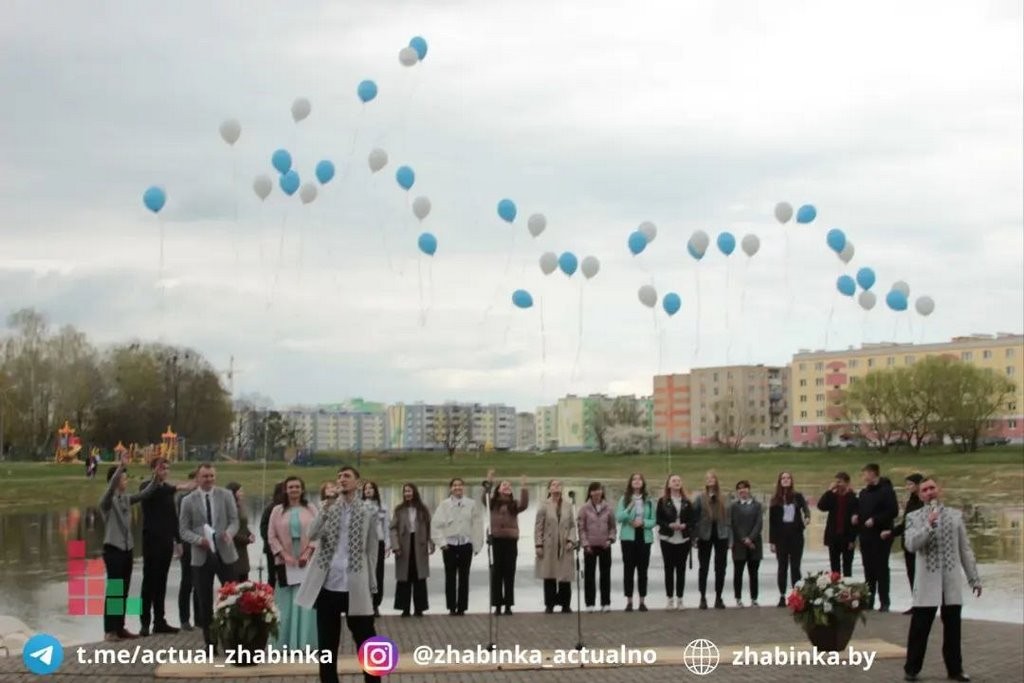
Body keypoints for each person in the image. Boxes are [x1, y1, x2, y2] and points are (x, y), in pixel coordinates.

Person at [295, 466, 380, 683]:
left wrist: (372, 582)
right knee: (327, 644)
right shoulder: (326, 507)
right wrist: (325, 509)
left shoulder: (369, 511)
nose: (342, 480)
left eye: (347, 476)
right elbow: (311, 534)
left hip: (355, 584)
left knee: (366, 639)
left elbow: (372, 551)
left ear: (357, 483)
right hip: (328, 584)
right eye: (339, 476)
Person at [902, 477, 982, 683]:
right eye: (925, 490)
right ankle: (912, 668)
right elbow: (911, 545)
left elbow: (965, 548)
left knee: (953, 629)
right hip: (927, 581)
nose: (929, 492)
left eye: (932, 488)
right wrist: (928, 526)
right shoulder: (913, 517)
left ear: (940, 490)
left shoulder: (955, 516)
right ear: (919, 495)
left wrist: (974, 578)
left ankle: (955, 670)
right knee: (920, 628)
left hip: (950, 580)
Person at [178, 462, 239, 651]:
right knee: (204, 600)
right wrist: (198, 540)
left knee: (232, 598)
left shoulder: (226, 495)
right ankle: (210, 642)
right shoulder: (188, 500)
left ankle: (232, 640)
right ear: (198, 478)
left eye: (211, 476)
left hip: (225, 553)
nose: (209, 479)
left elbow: (234, 520)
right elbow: (183, 530)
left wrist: (230, 533)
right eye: (205, 476)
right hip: (201, 555)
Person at [100, 450, 159, 641]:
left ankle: (120, 627)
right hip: (113, 550)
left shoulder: (126, 498)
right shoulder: (106, 502)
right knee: (115, 590)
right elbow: (109, 490)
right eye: (124, 479)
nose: (126, 482)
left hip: (127, 550)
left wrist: (155, 478)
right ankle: (110, 630)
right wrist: (121, 467)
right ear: (116, 481)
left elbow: (144, 494)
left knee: (124, 590)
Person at [138, 456, 195, 636]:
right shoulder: (146, 487)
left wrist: (178, 541)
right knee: (149, 582)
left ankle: (160, 621)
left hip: (165, 542)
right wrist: (178, 486)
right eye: (162, 468)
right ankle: (144, 622)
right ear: (153, 470)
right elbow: (154, 492)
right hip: (151, 541)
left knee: (162, 581)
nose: (165, 471)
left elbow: (173, 518)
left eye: (167, 468)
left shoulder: (168, 491)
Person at [268, 476, 319, 648]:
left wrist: (308, 552)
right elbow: (271, 536)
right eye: (291, 487)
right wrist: (284, 555)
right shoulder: (277, 510)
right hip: (285, 561)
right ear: (285, 490)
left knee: (306, 598)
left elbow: (319, 532)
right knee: (286, 600)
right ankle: (284, 642)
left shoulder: (311, 508)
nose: (294, 490)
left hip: (307, 559)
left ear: (302, 489)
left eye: (297, 487)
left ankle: (306, 641)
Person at [431, 477, 484, 616]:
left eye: (460, 485)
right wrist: (441, 544)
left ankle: (462, 607)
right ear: (451, 488)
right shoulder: (444, 505)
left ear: (463, 488)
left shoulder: (471, 504)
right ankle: (451, 607)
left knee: (464, 577)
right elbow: (436, 525)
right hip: (449, 546)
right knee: (450, 577)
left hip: (465, 545)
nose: (457, 488)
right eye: (454, 485)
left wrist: (477, 544)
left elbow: (477, 525)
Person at [482, 469, 529, 615]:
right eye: (503, 485)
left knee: (509, 572)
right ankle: (497, 604)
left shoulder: (514, 505)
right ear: (498, 488)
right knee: (497, 573)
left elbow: (525, 504)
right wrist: (489, 481)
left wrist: (524, 487)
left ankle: (508, 604)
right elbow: (484, 497)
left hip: (510, 541)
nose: (506, 487)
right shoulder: (493, 503)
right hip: (496, 540)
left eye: (509, 485)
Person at [854, 463, 899, 611]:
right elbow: (861, 509)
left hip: (881, 535)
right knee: (868, 568)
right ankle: (869, 598)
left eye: (865, 473)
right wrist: (856, 516)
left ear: (873, 473)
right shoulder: (864, 493)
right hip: (865, 536)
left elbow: (893, 511)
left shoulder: (886, 491)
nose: (864, 476)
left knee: (881, 568)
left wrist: (875, 519)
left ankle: (884, 601)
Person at [391, 483, 433, 617]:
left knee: (419, 576)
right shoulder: (399, 510)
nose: (407, 494)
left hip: (419, 544)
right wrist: (395, 546)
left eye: (409, 491)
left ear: (414, 492)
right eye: (405, 491)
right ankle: (404, 608)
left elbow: (429, 527)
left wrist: (431, 542)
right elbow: (392, 529)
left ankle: (419, 608)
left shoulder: (423, 509)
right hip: (404, 545)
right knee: (405, 576)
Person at [769, 471, 810, 607]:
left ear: (791, 481)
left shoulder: (797, 496)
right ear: (779, 481)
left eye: (788, 478)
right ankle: (781, 596)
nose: (786, 480)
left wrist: (807, 517)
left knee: (795, 566)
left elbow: (805, 509)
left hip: (796, 536)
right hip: (781, 538)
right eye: (783, 478)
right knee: (782, 567)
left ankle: (796, 595)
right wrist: (772, 541)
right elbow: (772, 522)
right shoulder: (775, 499)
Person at [615, 472, 655, 612]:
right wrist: (629, 507)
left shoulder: (649, 500)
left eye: (639, 479)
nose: (637, 481)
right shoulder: (624, 499)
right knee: (629, 569)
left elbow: (653, 520)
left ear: (643, 483)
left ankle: (642, 601)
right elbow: (619, 517)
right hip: (628, 538)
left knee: (643, 570)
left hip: (644, 537)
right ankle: (629, 601)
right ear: (630, 483)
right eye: (634, 479)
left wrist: (643, 523)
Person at [535, 479, 577, 613]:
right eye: (553, 485)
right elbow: (538, 526)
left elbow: (572, 525)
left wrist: (571, 540)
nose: (556, 487)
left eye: (559, 485)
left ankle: (565, 604)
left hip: (565, 544)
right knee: (550, 574)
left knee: (564, 575)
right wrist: (538, 544)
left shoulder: (568, 505)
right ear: (549, 489)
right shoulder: (544, 505)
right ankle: (550, 604)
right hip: (549, 544)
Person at [693, 471, 731, 609]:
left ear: (716, 480)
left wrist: (730, 539)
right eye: (708, 478)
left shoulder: (724, 498)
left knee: (720, 568)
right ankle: (702, 597)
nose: (710, 480)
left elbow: (729, 519)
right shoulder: (700, 498)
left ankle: (718, 597)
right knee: (704, 567)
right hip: (704, 535)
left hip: (721, 535)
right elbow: (694, 517)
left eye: (713, 478)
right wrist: (694, 537)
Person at [655, 474, 694, 610]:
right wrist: (669, 525)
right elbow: (658, 520)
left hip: (683, 539)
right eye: (674, 481)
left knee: (681, 569)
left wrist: (685, 526)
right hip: (667, 538)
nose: (676, 483)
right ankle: (670, 599)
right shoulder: (662, 501)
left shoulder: (687, 502)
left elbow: (692, 520)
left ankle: (680, 599)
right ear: (669, 484)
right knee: (669, 569)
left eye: (678, 481)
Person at [577, 482, 616, 612]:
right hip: (590, 547)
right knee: (589, 576)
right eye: (594, 491)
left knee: (605, 575)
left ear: (602, 492)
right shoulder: (584, 508)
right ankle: (590, 604)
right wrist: (585, 544)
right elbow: (581, 528)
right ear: (590, 492)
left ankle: (606, 603)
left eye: (599, 490)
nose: (596, 493)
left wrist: (610, 540)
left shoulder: (608, 508)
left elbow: (612, 527)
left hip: (605, 545)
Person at [893, 473, 926, 613]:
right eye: (907, 484)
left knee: (920, 575)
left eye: (911, 484)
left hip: (919, 544)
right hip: (908, 544)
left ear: (919, 485)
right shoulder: (911, 501)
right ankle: (916, 604)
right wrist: (892, 532)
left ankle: (924, 605)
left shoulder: (923, 501)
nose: (908, 487)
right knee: (911, 574)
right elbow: (906, 522)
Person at [817, 472, 859, 577]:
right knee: (834, 566)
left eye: (840, 482)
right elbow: (821, 506)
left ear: (847, 483)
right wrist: (829, 491)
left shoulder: (853, 498)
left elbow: (856, 521)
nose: (838, 484)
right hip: (833, 536)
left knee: (847, 566)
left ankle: (847, 588)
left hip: (847, 536)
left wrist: (852, 539)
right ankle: (836, 587)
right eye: (836, 482)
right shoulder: (833, 496)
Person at [729, 480, 763, 607]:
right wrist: (744, 539)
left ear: (749, 489)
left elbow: (759, 523)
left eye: (744, 488)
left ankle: (754, 598)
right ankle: (738, 598)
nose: (742, 491)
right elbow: (734, 524)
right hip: (739, 545)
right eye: (739, 489)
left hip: (755, 544)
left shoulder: (757, 505)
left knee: (753, 573)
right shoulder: (734, 506)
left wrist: (751, 538)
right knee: (738, 572)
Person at [361, 481, 391, 617]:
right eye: (365, 489)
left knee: (378, 574)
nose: (368, 491)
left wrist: (387, 544)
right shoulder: (359, 506)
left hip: (378, 543)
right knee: (363, 574)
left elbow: (386, 527)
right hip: (362, 545)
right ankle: (363, 604)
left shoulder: (382, 507)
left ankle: (375, 604)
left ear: (375, 490)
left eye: (371, 488)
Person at [175, 469, 198, 631]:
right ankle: (184, 619)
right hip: (187, 544)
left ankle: (200, 619)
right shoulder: (183, 499)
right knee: (187, 581)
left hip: (202, 545)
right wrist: (178, 543)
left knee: (201, 583)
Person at [225, 482, 255, 581]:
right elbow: (229, 531)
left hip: (242, 550)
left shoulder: (240, 507)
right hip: (233, 549)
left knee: (244, 577)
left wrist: (250, 534)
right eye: (240, 491)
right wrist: (246, 539)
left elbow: (243, 525)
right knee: (234, 579)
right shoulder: (228, 509)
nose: (242, 493)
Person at [259, 482, 287, 588]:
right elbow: (263, 529)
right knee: (272, 576)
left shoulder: (288, 507)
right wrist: (275, 539)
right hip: (271, 550)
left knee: (284, 576)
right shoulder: (270, 508)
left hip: (287, 549)